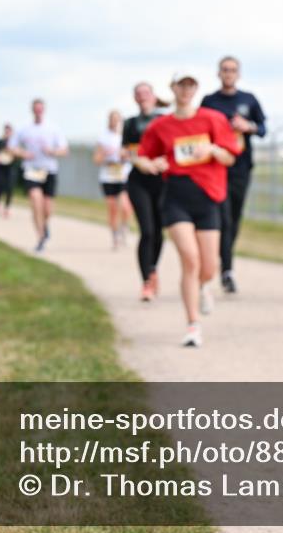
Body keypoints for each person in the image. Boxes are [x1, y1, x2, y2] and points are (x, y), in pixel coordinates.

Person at [138, 72, 241, 347]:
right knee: (190, 259)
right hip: (176, 197)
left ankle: (204, 286)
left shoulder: (212, 119)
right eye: (180, 85)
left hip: (208, 197)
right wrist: (150, 165)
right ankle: (193, 324)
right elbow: (144, 156)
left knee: (209, 267)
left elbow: (230, 156)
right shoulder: (161, 125)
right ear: (172, 88)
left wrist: (211, 150)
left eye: (190, 85)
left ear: (196, 89)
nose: (185, 90)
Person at [200, 56, 267, 294]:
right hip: (216, 169)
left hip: (241, 167)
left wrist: (247, 126)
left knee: (234, 219)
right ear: (218, 73)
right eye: (225, 70)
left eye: (233, 70)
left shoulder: (248, 100)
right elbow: (199, 130)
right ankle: (226, 270)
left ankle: (224, 258)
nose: (228, 74)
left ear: (238, 74)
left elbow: (262, 128)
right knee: (223, 218)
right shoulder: (209, 101)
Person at [123, 82, 171, 301]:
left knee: (159, 232)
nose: (142, 97)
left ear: (153, 96)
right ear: (135, 98)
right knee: (147, 230)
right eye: (138, 94)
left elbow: (173, 146)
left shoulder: (164, 120)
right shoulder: (130, 123)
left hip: (161, 180)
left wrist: (162, 162)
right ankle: (146, 283)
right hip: (138, 180)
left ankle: (152, 269)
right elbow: (126, 150)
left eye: (146, 93)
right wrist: (136, 160)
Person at [10, 98, 69, 253]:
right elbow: (11, 147)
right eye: (35, 109)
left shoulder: (53, 128)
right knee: (36, 200)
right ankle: (40, 237)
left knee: (47, 208)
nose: (38, 111)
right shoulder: (24, 128)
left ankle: (44, 224)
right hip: (31, 170)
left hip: (49, 170)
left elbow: (64, 150)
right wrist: (23, 153)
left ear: (44, 110)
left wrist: (52, 151)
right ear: (32, 110)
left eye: (40, 109)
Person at [95, 110, 133, 249]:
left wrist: (125, 156)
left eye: (117, 119)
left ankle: (124, 227)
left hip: (123, 176)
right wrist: (105, 155)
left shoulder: (126, 136)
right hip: (108, 177)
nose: (115, 121)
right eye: (112, 119)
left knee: (126, 206)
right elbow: (96, 159)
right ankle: (115, 236)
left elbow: (133, 155)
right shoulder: (103, 137)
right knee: (112, 209)